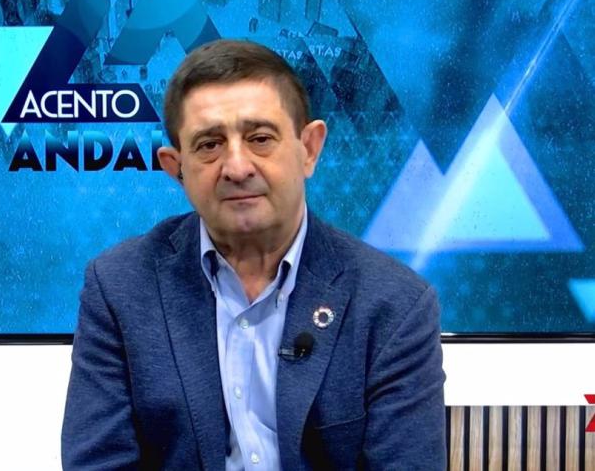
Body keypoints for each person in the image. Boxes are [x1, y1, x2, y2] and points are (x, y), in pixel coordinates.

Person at [61, 39, 446, 470]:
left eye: (260, 139)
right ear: (176, 167)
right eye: (209, 145)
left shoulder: (395, 305)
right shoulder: (119, 288)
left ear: (309, 148)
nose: (237, 167)